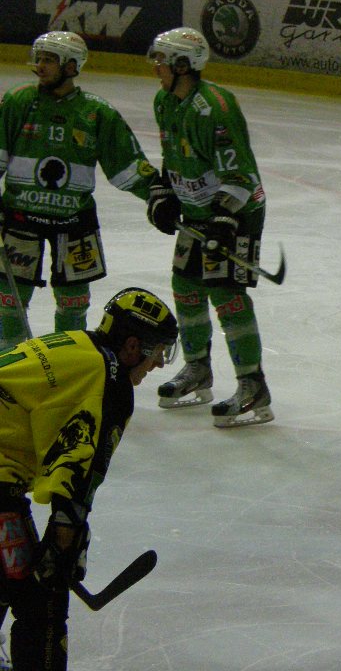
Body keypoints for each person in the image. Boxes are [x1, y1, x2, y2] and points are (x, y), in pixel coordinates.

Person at [0, 286, 178, 671]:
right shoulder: (111, 382)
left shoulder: (78, 345)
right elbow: (79, 472)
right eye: (158, 351)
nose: (159, 364)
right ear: (133, 346)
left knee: (9, 578)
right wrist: (63, 544)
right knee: (44, 602)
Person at [144, 27, 274, 428]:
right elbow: (173, 155)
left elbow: (242, 174)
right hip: (197, 211)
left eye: (162, 61)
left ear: (184, 65)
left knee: (226, 293)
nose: (156, 68)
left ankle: (253, 384)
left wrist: (224, 220)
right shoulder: (165, 101)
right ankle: (198, 368)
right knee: (185, 286)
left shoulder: (217, 107)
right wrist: (165, 193)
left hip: (237, 212)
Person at [0, 31, 160, 348]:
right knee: (9, 300)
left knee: (74, 304)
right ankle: (8, 364)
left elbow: (126, 166)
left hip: (74, 222)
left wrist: (157, 193)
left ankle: (66, 362)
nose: (40, 66)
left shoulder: (97, 113)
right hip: (20, 216)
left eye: (49, 59)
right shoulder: (17, 102)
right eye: (39, 58)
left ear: (72, 66)